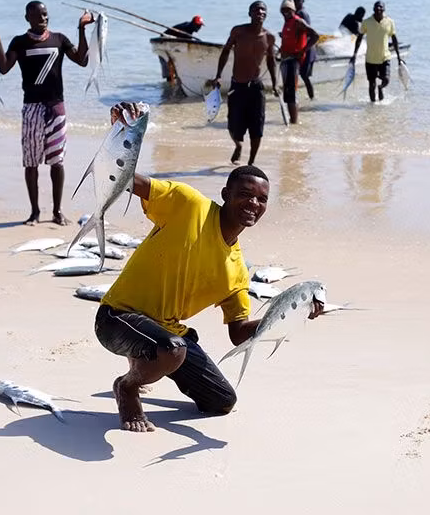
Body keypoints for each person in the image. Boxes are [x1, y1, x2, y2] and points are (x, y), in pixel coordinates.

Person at [95, 103, 326, 433]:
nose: (253, 204)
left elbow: (239, 333)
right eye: (245, 194)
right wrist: (119, 131)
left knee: (221, 401)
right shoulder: (189, 205)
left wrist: (297, 311)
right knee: (171, 349)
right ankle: (128, 387)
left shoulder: (237, 270)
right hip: (116, 319)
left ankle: (151, 360)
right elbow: (123, 178)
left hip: (168, 335)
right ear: (225, 194)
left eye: (261, 199)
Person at [0, 1, 91, 226]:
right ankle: (34, 212)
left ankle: (57, 212)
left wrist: (82, 28)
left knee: (57, 162)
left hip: (56, 108)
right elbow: (3, 67)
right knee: (31, 163)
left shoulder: (59, 39)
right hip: (31, 109)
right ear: (27, 18)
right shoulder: (20, 42)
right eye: (38, 15)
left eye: (46, 14)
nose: (43, 18)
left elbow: (82, 60)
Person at [208, 1, 280, 167]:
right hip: (238, 86)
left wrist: (275, 84)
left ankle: (251, 163)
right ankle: (238, 145)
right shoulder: (238, 31)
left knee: (257, 125)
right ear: (250, 14)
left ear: (266, 14)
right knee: (233, 124)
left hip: (256, 87)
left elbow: (271, 61)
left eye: (263, 10)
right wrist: (218, 75)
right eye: (256, 10)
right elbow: (226, 51)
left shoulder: (269, 37)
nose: (260, 12)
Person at [350, 1, 403, 103]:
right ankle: (372, 106)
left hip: (385, 57)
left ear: (384, 9)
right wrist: (354, 54)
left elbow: (394, 39)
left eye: (381, 7)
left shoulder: (390, 22)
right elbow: (359, 38)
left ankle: (380, 88)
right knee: (371, 84)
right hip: (371, 58)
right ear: (373, 9)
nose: (378, 9)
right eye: (376, 7)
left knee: (386, 80)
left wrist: (399, 57)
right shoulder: (366, 22)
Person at [278, 0, 319, 124]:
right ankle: (292, 121)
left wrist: (303, 50)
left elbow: (315, 36)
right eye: (283, 10)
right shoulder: (286, 22)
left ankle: (294, 123)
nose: (286, 12)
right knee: (288, 94)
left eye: (288, 10)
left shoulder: (298, 21)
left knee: (291, 95)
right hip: (285, 60)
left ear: (293, 10)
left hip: (293, 61)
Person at [293, 0, 316, 100]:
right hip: (301, 48)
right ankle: (296, 96)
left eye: (298, 0)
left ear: (303, 1)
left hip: (306, 48)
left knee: (304, 75)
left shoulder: (302, 14)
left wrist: (304, 50)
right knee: (299, 74)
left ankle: (312, 98)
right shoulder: (296, 13)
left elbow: (308, 33)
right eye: (295, 0)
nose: (296, 2)